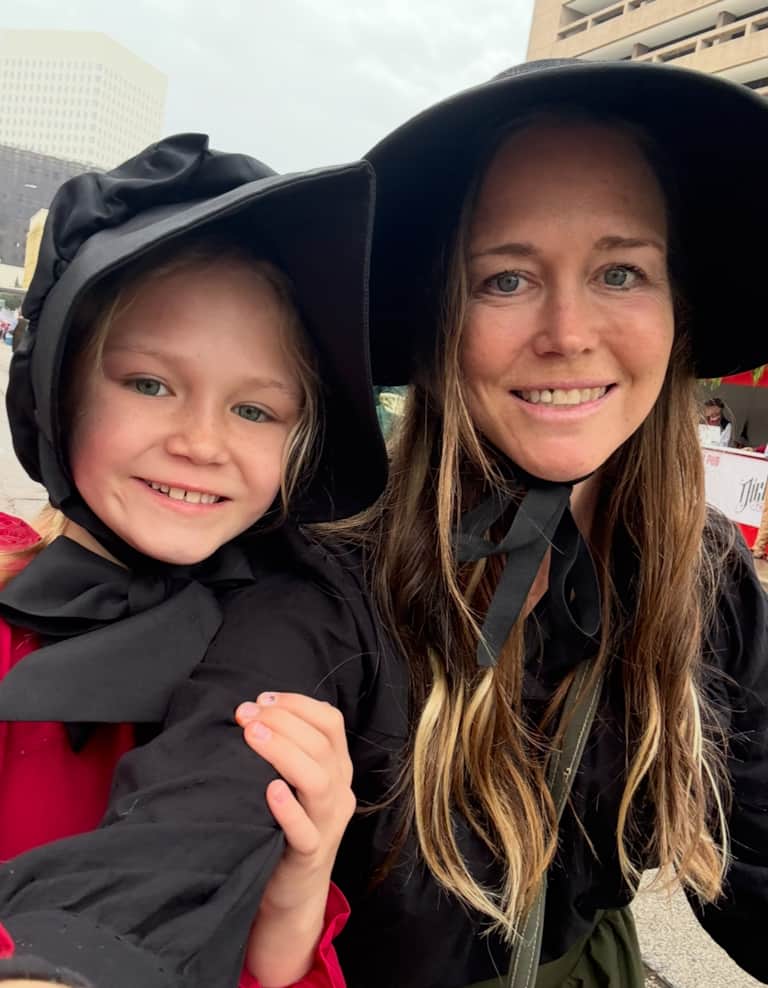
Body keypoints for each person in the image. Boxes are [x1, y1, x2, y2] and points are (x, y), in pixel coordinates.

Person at [2, 61, 768, 988]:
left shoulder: (710, 575)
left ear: (676, 305)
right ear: (444, 314)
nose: (568, 330)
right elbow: (187, 831)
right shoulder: (328, 584)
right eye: (507, 278)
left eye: (619, 271)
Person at [0, 135, 386, 987]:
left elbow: (273, 969)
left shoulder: (286, 652)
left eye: (255, 409)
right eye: (149, 384)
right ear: (57, 385)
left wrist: (297, 885)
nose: (202, 443)